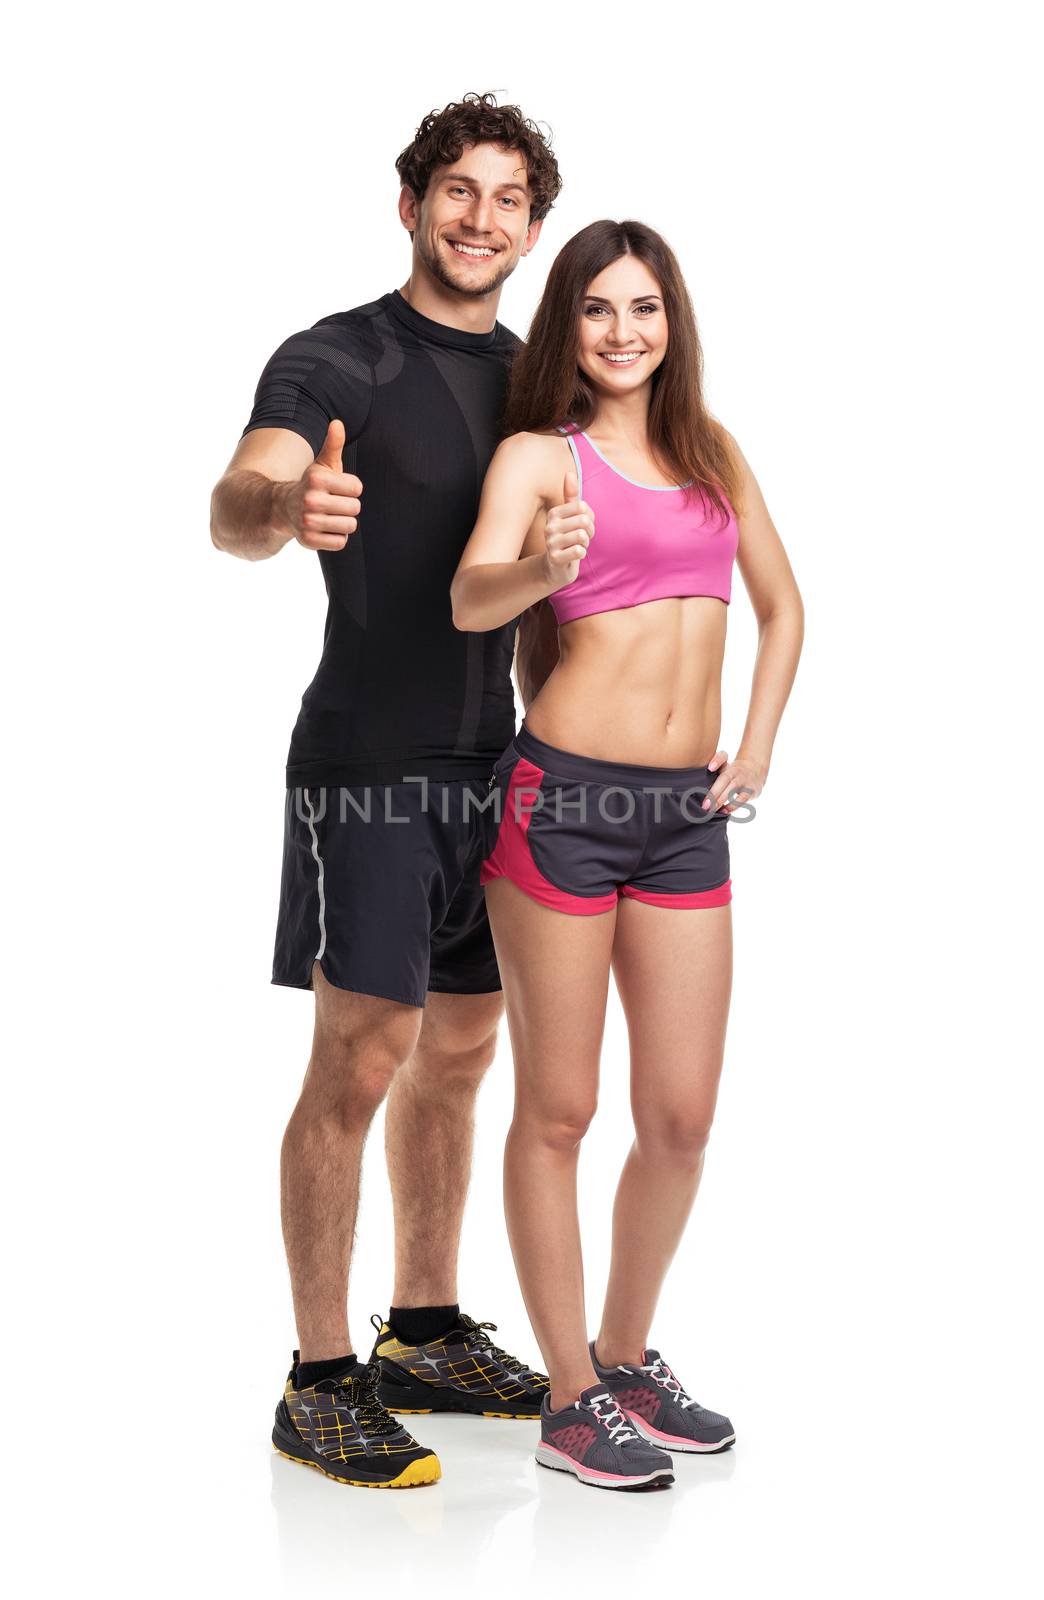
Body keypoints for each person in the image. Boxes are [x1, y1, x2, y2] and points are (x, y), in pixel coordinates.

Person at [210, 94, 563, 1489]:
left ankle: (422, 1326)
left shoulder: (538, 381)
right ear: (409, 202)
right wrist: (281, 511)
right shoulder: (335, 356)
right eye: (457, 191)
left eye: (509, 199)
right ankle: (317, 1378)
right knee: (361, 1060)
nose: (481, 218)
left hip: (503, 767)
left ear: (533, 228)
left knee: (464, 1053)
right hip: (369, 760)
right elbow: (237, 497)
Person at [451, 219, 804, 1490]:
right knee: (560, 1109)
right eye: (597, 309)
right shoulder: (542, 458)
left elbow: (783, 604)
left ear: (672, 321)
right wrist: (533, 565)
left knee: (682, 1117)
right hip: (564, 804)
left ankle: (625, 1351)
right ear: (569, 324)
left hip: (686, 817)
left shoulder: (712, 455)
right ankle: (567, 1396)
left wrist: (753, 744)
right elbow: (469, 597)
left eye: (643, 308)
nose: (622, 332)